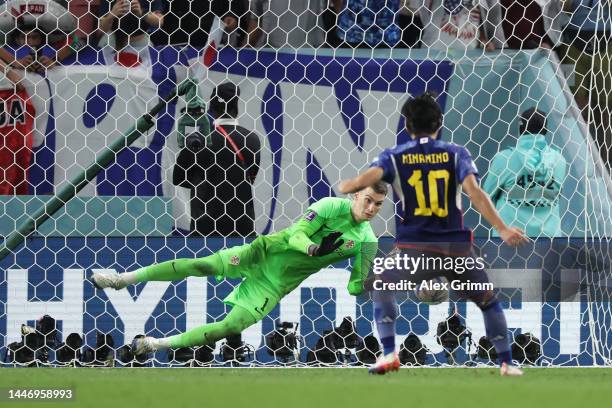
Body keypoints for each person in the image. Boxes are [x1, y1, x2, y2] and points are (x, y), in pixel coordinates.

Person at [338, 93, 528, 376]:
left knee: (381, 285)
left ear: (407, 125)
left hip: (415, 250)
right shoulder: (456, 153)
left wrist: (348, 185)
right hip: (455, 250)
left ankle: (389, 353)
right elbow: (475, 192)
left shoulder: (394, 156)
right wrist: (502, 228)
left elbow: (366, 179)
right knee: (487, 301)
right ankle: (507, 363)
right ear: (439, 122)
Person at [91, 184, 386, 355]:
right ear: (355, 195)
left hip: (274, 285)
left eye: (378, 205)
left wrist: (374, 278)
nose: (372, 208)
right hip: (262, 252)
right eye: (368, 200)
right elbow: (297, 234)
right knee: (202, 264)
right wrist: (313, 249)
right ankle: (121, 279)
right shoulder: (329, 206)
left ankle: (152, 345)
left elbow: (354, 288)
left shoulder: (368, 243)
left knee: (231, 327)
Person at [173, 82, 262, 237]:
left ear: (212, 108)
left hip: (206, 226)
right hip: (243, 225)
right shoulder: (252, 139)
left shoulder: (199, 139)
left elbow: (178, 178)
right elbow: (250, 177)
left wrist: (201, 179)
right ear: (237, 107)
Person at [483, 108, 567, 237]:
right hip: (550, 243)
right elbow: (555, 197)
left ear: (521, 129)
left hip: (509, 242)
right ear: (545, 130)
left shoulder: (504, 159)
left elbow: (485, 197)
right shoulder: (559, 161)